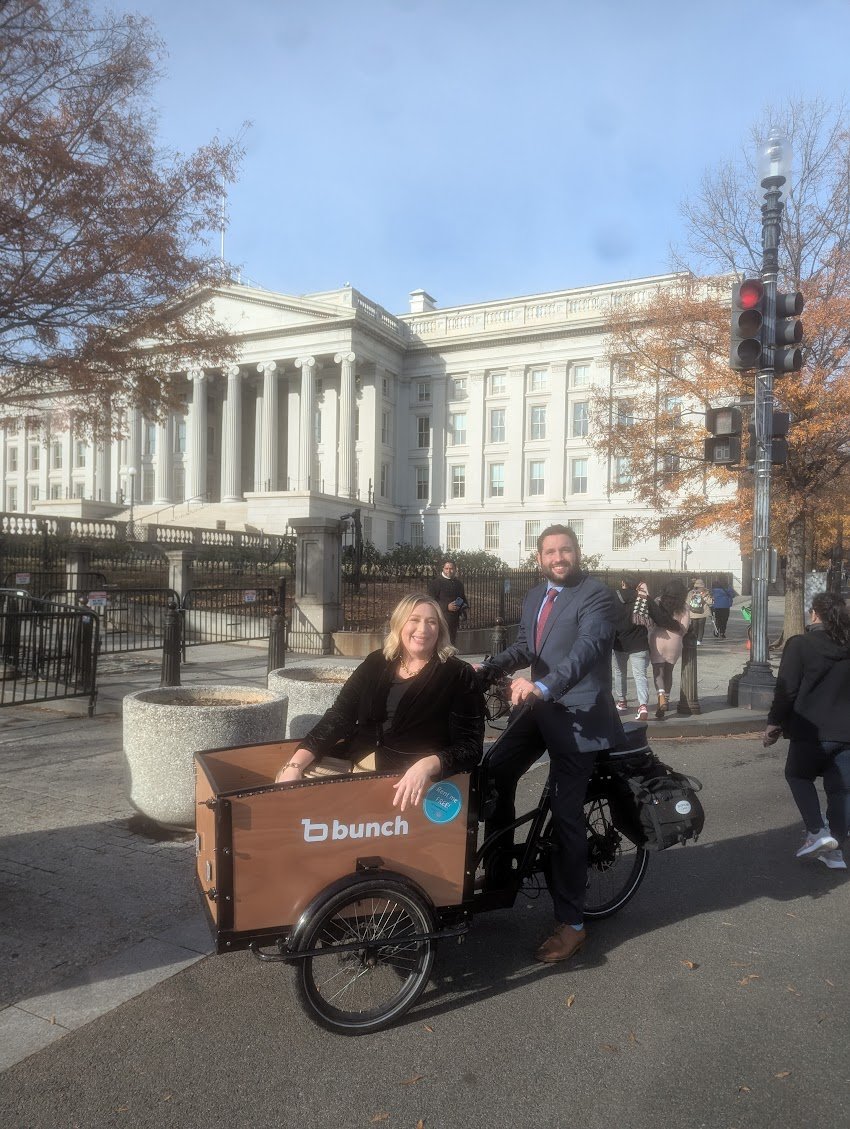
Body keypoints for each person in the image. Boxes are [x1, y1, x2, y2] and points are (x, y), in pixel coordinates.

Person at [479, 524, 625, 964]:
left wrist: (543, 686)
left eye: (565, 550)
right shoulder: (535, 596)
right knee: (493, 772)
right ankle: (499, 873)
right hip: (541, 709)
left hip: (580, 715)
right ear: (539, 557)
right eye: (549, 552)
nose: (558, 558)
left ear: (577, 553)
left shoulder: (596, 596)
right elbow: (527, 645)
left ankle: (573, 923)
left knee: (565, 815)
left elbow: (587, 650)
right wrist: (487, 668)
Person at [275, 594, 484, 810]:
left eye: (431, 622)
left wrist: (428, 764)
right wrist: (295, 764)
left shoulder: (458, 674)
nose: (423, 629)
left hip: (405, 777)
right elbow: (340, 715)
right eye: (414, 620)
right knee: (288, 783)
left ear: (440, 629)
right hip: (355, 758)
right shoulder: (377, 661)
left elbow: (470, 747)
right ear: (400, 623)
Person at [763, 591, 850, 871]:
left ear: (814, 614)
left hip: (809, 729)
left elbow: (787, 689)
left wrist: (774, 722)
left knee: (798, 776)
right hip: (846, 731)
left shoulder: (800, 644)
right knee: (841, 791)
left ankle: (817, 831)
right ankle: (835, 851)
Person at [612, 575, 683, 721]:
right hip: (639, 644)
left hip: (618, 642)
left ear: (623, 583)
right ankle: (643, 706)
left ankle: (622, 701)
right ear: (638, 586)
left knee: (619, 672)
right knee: (640, 675)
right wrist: (677, 626)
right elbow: (661, 618)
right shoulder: (645, 599)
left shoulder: (612, 598)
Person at [647, 581, 689, 719]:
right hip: (675, 640)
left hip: (657, 638)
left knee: (657, 671)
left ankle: (660, 695)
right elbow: (684, 628)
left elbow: (650, 620)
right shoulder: (684, 606)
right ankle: (667, 699)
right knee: (669, 672)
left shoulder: (658, 601)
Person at [428, 559, 468, 645]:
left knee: (451, 644)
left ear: (455, 569)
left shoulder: (459, 584)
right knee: (440, 644)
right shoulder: (435, 583)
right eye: (446, 568)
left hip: (454, 620)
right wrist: (447, 606)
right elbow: (430, 601)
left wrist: (462, 607)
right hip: (441, 619)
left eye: (451, 568)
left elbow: (463, 598)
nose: (449, 571)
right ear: (443, 569)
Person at [686, 578, 712, 645]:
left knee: (695, 627)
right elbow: (710, 602)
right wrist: (705, 596)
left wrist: (687, 611)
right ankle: (698, 640)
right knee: (700, 627)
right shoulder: (705, 592)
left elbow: (687, 602)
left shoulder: (691, 592)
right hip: (702, 613)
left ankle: (697, 640)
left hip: (693, 612)